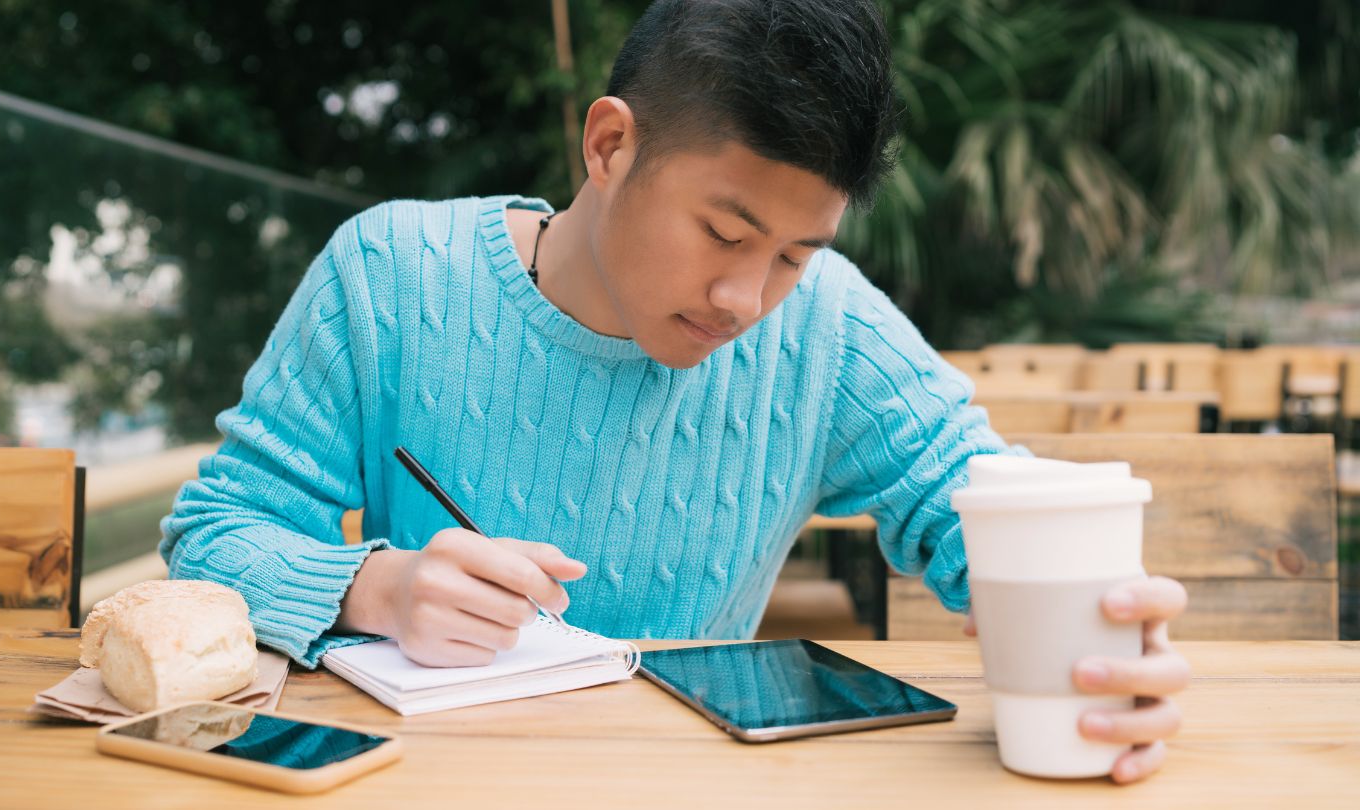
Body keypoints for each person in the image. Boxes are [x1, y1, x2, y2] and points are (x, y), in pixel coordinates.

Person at [161, 0, 1189, 784]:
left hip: (699, 786)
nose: (748, 297)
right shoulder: (390, 275)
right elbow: (214, 534)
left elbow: (975, 492)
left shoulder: (827, 324)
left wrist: (1099, 629)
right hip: (426, 784)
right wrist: (374, 589)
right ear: (609, 145)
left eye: (793, 253)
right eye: (726, 233)